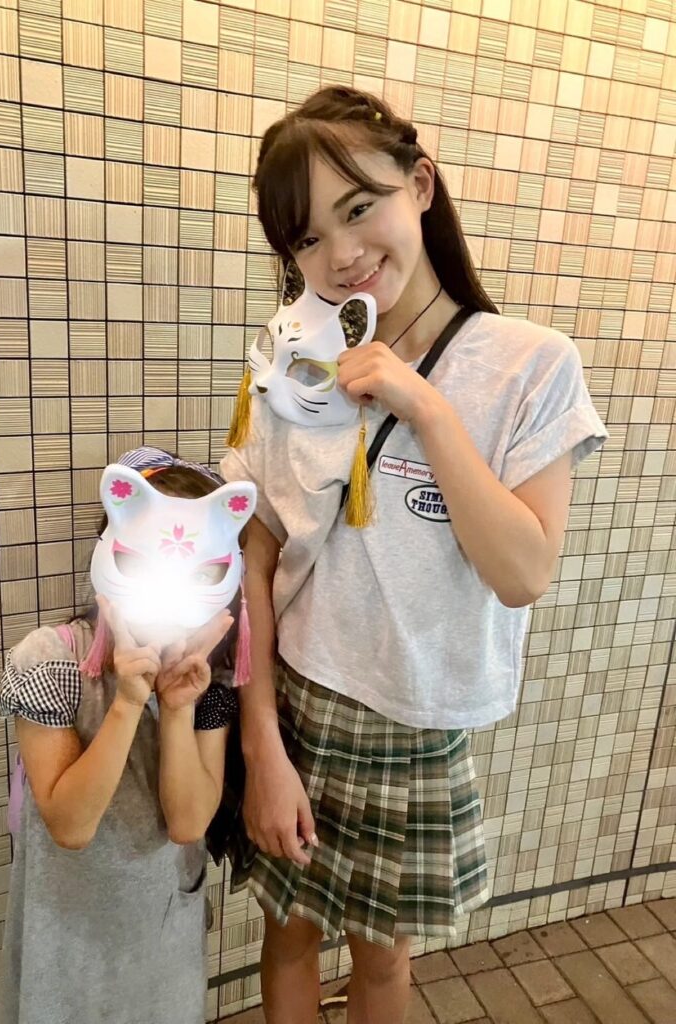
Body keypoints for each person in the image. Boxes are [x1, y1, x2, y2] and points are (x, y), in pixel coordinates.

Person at [220, 85, 608, 1024]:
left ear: (421, 185)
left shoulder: (531, 364)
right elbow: (256, 559)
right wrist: (261, 741)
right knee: (287, 936)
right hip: (297, 700)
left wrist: (424, 406)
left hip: (416, 720)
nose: (341, 254)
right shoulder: (293, 366)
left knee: (384, 965)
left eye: (360, 208)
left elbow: (523, 573)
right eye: (307, 238)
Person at [0, 447, 251, 1024]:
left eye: (200, 570)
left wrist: (177, 707)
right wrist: (129, 702)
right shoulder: (51, 661)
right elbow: (70, 825)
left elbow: (188, 823)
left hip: (163, 933)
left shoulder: (208, 680)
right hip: (64, 934)